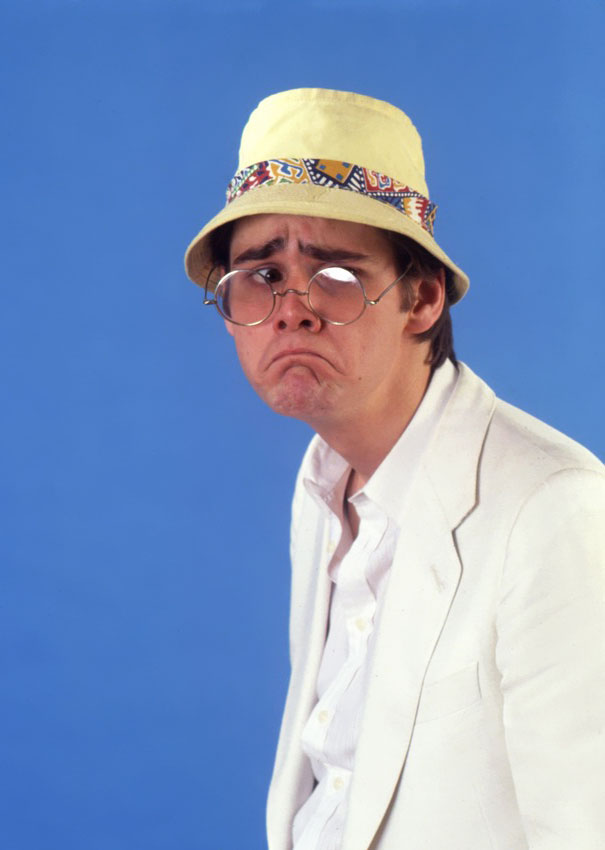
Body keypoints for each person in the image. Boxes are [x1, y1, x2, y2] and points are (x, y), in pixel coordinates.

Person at [184, 89, 605, 850]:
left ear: (422, 298)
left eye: (336, 275)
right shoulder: (320, 488)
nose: (292, 309)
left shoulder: (553, 508)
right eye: (260, 275)